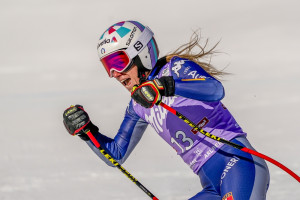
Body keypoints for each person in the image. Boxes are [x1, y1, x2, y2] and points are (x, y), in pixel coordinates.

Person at [63, 20, 270, 200]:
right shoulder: (138, 105)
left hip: (239, 164)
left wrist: (165, 86)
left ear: (140, 53)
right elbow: (116, 155)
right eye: (108, 66)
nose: (115, 74)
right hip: (211, 186)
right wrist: (88, 132)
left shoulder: (175, 69)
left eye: (118, 62)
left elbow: (215, 89)